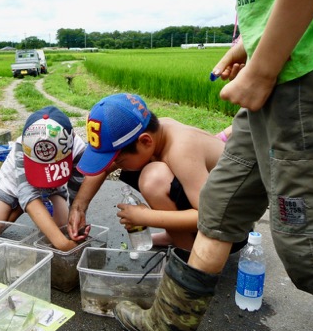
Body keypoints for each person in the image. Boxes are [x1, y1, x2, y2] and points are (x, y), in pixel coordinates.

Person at [112, 0, 313, 331]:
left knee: (308, 245)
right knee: (219, 206)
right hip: (275, 70)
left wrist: (262, 69)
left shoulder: (178, 148)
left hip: (301, 71)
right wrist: (247, 45)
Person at [68, 92, 243, 252]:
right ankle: (175, 236)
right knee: (151, 170)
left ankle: (192, 258)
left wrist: (145, 217)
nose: (114, 166)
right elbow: (102, 170)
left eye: (118, 161)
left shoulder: (182, 150)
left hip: (229, 230)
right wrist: (78, 208)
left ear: (145, 141)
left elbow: (211, 218)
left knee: (153, 178)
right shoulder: (153, 131)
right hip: (212, 211)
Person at [0, 106, 86, 252]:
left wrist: (77, 218)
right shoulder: (24, 145)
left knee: (61, 227)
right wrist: (63, 244)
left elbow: (77, 192)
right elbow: (28, 194)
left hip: (51, 188)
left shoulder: (78, 148)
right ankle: (20, 207)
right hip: (12, 188)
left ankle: (33, 208)